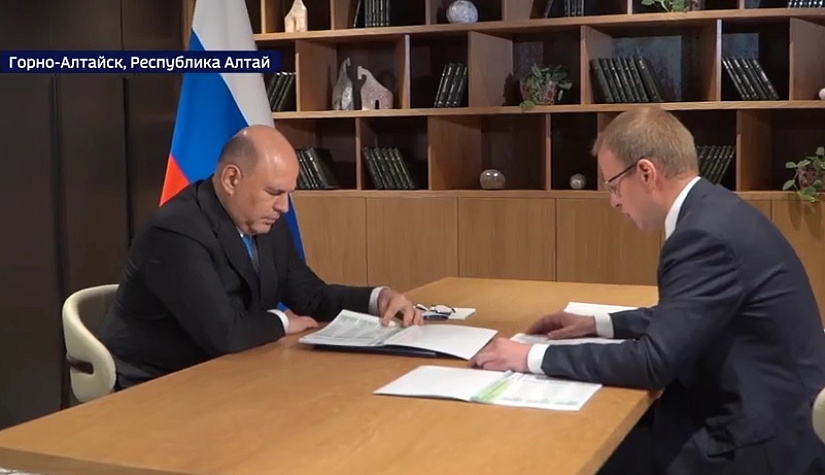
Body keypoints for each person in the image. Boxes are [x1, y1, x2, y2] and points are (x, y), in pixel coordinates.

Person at [470, 105, 825, 474]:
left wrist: (529, 357)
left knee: (570, 454)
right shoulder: (715, 210)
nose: (614, 201)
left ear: (645, 173)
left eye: (613, 186)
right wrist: (598, 324)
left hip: (757, 444)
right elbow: (687, 316)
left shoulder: (703, 236)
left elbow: (653, 362)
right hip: (770, 414)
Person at [98, 125, 422, 389]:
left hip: (225, 373)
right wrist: (283, 321)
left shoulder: (263, 221)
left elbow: (311, 297)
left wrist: (377, 299)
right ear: (231, 179)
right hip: (154, 384)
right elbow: (225, 335)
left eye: (288, 194)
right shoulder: (175, 232)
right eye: (274, 192)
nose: (284, 207)